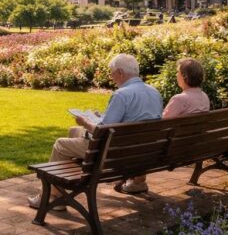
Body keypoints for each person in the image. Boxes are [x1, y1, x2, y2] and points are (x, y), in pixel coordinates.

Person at [29, 54, 163, 209]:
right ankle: (68, 182)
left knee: (60, 144)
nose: (112, 78)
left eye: (112, 73)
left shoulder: (122, 94)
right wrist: (100, 117)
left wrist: (85, 122)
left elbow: (102, 132)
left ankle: (53, 197)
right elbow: (128, 119)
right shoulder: (154, 92)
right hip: (143, 152)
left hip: (113, 153)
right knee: (74, 131)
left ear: (120, 73)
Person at [117, 58, 211, 194]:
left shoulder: (180, 99)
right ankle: (135, 179)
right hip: (193, 147)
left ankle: (138, 181)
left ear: (184, 76)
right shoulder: (204, 96)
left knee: (140, 139)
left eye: (178, 72)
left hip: (172, 151)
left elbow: (161, 125)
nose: (176, 75)